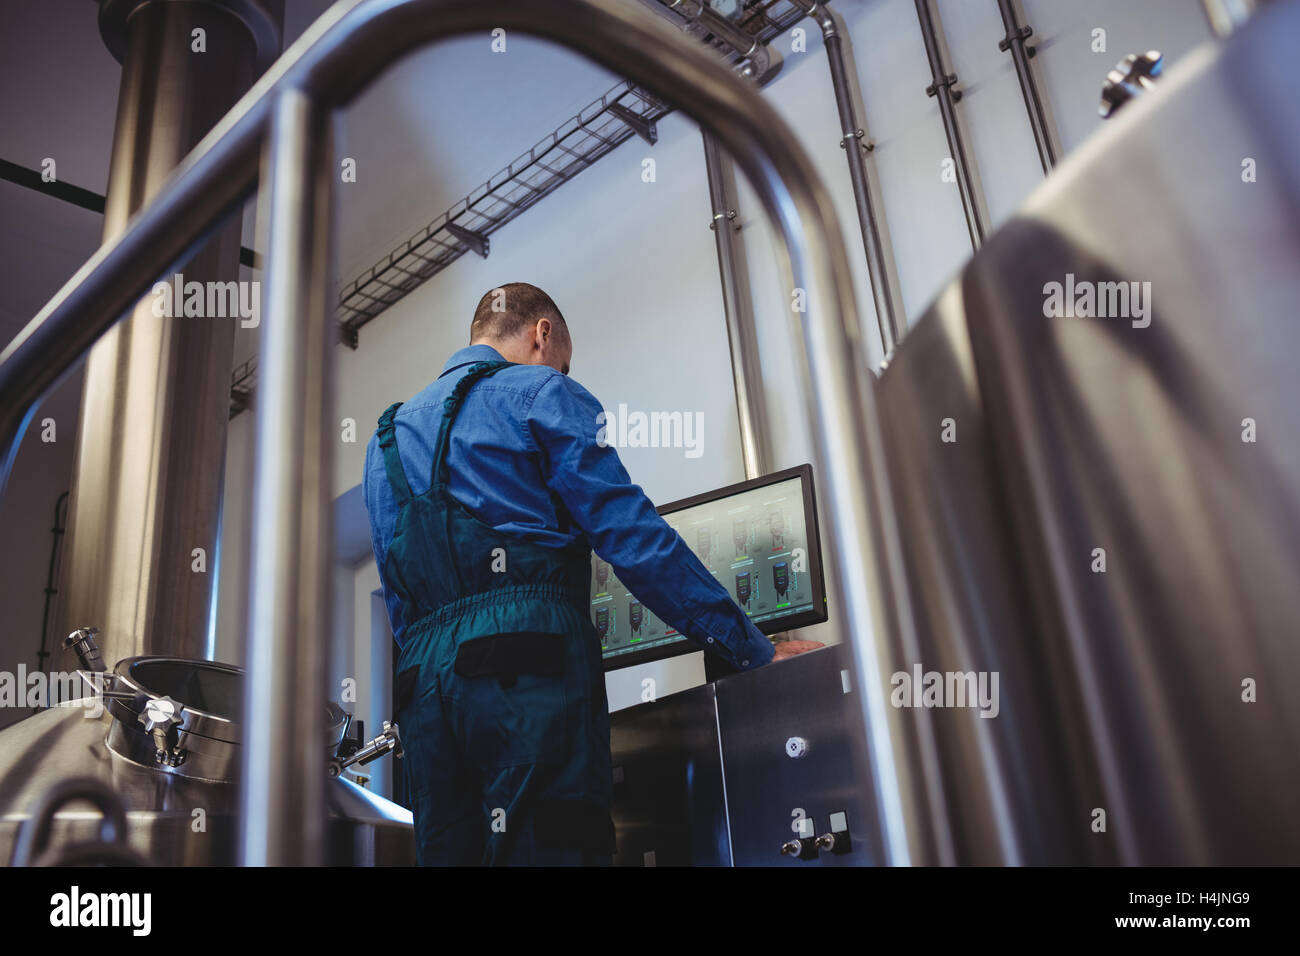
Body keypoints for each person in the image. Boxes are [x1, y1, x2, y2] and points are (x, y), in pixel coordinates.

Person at [364, 282, 815, 866]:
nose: (564, 371)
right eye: (565, 360)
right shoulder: (542, 392)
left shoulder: (387, 438)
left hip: (423, 687)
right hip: (526, 670)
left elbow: (399, 598)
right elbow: (636, 540)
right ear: (542, 333)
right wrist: (751, 650)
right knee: (554, 847)